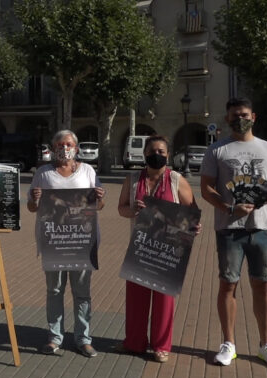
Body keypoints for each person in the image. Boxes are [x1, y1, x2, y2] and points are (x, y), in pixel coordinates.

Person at [200, 97, 267, 368]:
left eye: (245, 114)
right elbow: (206, 189)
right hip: (229, 228)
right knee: (228, 284)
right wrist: (229, 207)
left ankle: (266, 344)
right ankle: (228, 343)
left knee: (262, 284)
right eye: (235, 115)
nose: (241, 118)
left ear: (254, 117)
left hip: (263, 227)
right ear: (227, 118)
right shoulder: (216, 150)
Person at [116, 135, 197, 363]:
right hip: (140, 246)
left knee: (164, 300)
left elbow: (191, 211)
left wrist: (193, 226)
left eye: (162, 151)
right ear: (145, 154)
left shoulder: (176, 180)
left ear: (168, 154)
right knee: (136, 299)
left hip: (168, 248)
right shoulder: (132, 179)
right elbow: (121, 208)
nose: (157, 155)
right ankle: (134, 342)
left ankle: (161, 346)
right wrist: (133, 212)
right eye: (152, 151)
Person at [27, 129, 105, 357]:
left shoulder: (88, 171)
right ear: (52, 149)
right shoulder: (43, 173)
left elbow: (98, 206)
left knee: (82, 292)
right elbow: (32, 207)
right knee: (55, 290)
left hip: (82, 241)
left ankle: (83, 338)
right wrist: (35, 199)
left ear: (77, 148)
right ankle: (55, 337)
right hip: (54, 241)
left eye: (68, 144)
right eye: (59, 145)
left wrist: (100, 199)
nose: (64, 148)